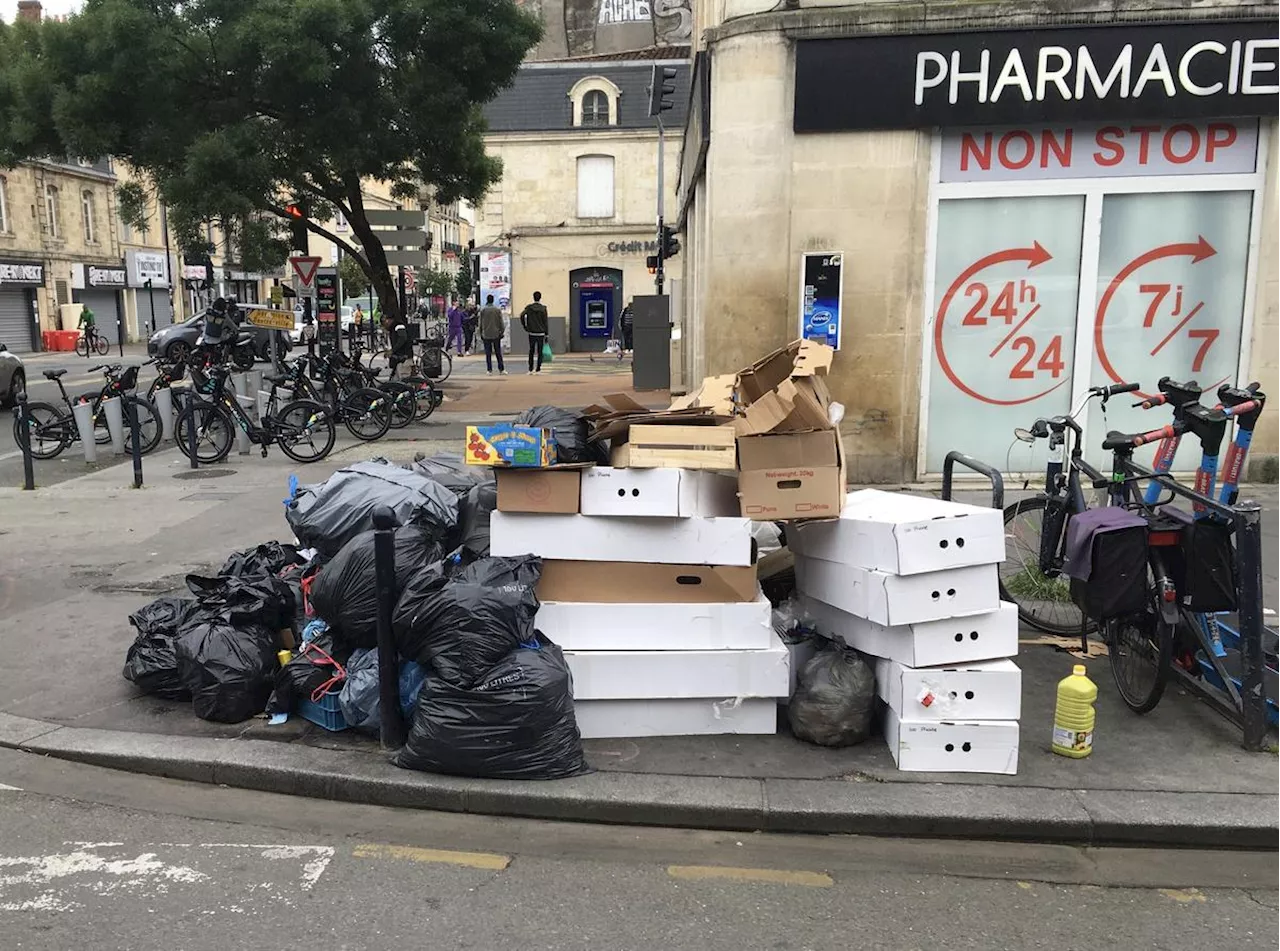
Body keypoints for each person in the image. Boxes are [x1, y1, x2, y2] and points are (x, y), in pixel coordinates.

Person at [520, 291, 549, 373]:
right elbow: (545, 322)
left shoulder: (529, 308)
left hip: (532, 332)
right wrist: (546, 334)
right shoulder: (543, 309)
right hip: (541, 333)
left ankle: (530, 368)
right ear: (540, 298)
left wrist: (525, 326)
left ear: (533, 297)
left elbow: (522, 315)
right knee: (540, 351)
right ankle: (538, 368)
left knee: (531, 351)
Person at [479, 294, 507, 375]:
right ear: (493, 300)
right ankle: (501, 369)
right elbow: (501, 322)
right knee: (498, 352)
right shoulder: (497, 310)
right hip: (496, 334)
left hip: (486, 334)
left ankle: (489, 370)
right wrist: (501, 331)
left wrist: (481, 332)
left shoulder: (483, 310)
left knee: (488, 353)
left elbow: (480, 323)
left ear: (487, 300)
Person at [383, 313, 412, 379]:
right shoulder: (392, 328)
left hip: (404, 356)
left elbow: (403, 338)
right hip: (399, 358)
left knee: (404, 378)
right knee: (398, 379)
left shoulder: (398, 326)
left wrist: (393, 350)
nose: (384, 324)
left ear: (389, 320)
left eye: (385, 321)